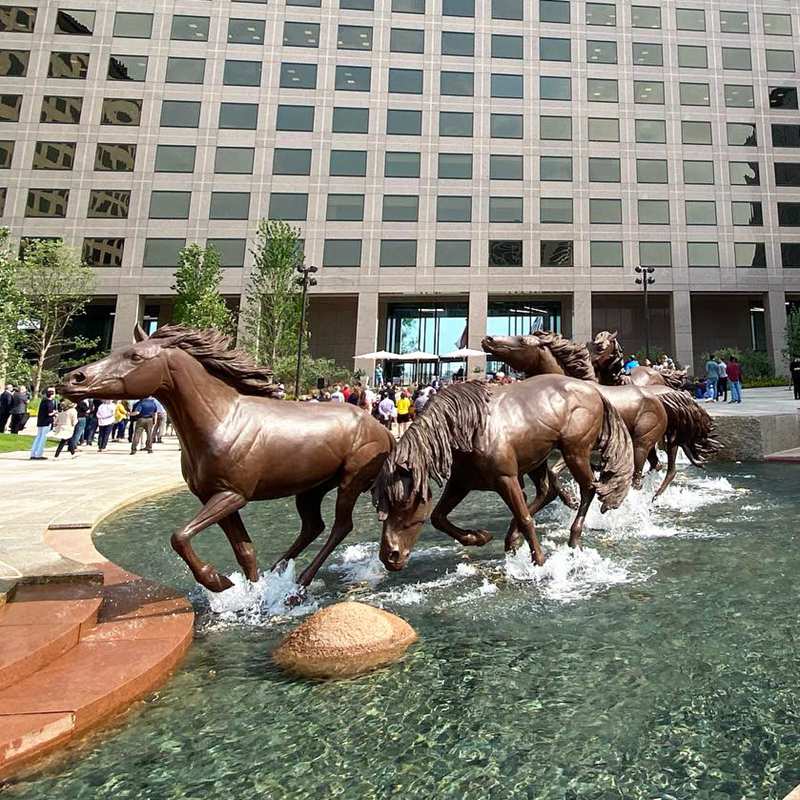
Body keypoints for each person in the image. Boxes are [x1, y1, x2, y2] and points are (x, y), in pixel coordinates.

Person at [30, 388, 56, 460]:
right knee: (43, 438)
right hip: (46, 422)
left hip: (41, 421)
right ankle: (38, 454)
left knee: (38, 437)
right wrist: (55, 412)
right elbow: (50, 413)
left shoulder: (43, 401)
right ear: (52, 395)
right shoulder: (49, 402)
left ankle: (33, 453)